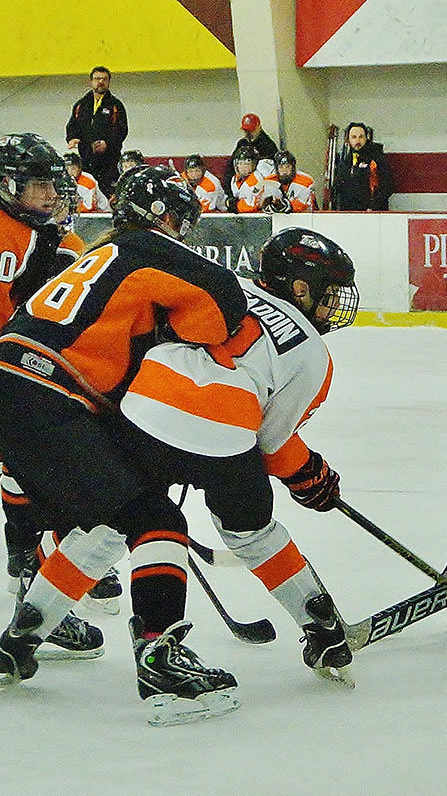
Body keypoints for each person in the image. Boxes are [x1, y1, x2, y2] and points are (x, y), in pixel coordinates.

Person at [0, 165, 249, 725]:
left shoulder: (97, 254)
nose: (181, 233)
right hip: (49, 397)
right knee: (157, 519)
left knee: (106, 521)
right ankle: (161, 658)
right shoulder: (147, 249)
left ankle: (16, 643)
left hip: (14, 382)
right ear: (160, 218)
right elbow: (222, 303)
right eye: (177, 223)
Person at [116, 227, 360, 685]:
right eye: (329, 294)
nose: (334, 305)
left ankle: (29, 626)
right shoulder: (313, 353)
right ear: (301, 288)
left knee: (114, 519)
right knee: (253, 533)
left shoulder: (227, 284)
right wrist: (310, 476)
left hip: (146, 403)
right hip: (226, 435)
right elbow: (270, 440)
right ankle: (322, 626)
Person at [0, 133, 111, 659]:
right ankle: (37, 569)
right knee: (37, 467)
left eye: (52, 183)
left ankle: (47, 562)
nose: (51, 193)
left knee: (38, 467)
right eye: (40, 184)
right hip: (15, 374)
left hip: (30, 374)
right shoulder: (11, 238)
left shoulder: (50, 238)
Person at [65, 66, 128, 196]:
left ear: (109, 82)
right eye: (97, 78)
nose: (100, 82)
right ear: (91, 82)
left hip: (109, 161)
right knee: (87, 195)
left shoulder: (116, 106)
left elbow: (122, 131)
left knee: (109, 195)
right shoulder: (81, 105)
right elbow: (72, 125)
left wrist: (108, 144)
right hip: (86, 159)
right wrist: (72, 138)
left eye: (104, 79)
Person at [331, 123, 391, 211]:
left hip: (374, 213)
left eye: (361, 137)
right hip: (350, 214)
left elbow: (387, 186)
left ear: (366, 138)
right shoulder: (344, 162)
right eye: (354, 137)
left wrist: (372, 207)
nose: (358, 141)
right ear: (348, 140)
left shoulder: (377, 159)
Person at [226, 113, 278, 186]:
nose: (248, 133)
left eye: (251, 130)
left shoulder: (268, 145)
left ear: (259, 128)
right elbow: (231, 167)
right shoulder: (241, 143)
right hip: (241, 183)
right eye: (246, 131)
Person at [229, 146, 266, 213]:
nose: (243, 167)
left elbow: (252, 206)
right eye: (240, 163)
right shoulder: (234, 179)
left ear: (253, 164)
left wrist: (236, 205)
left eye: (247, 163)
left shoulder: (255, 180)